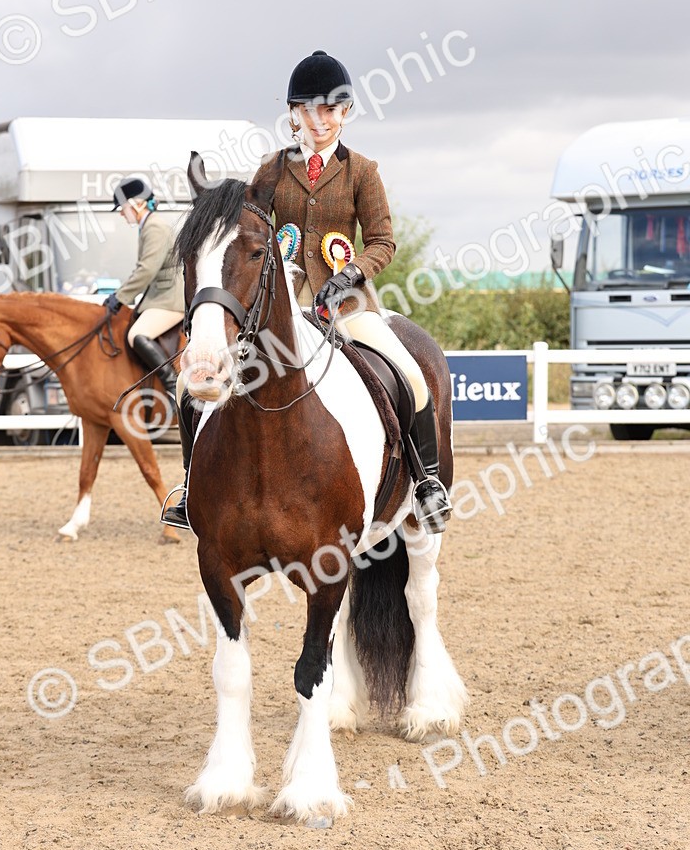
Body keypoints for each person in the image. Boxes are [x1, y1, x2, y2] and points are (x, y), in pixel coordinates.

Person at [162, 51, 451, 532]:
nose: (321, 120)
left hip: (347, 302)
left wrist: (351, 273)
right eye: (309, 110)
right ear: (294, 114)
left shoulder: (363, 170)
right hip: (282, 304)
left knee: (411, 376)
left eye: (331, 110)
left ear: (346, 112)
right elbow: (247, 227)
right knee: (188, 386)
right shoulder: (272, 168)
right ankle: (194, 487)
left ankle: (425, 481)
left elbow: (383, 241)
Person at [105, 177, 184, 403]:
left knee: (137, 335)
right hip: (159, 296)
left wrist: (120, 297)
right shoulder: (147, 226)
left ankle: (170, 384)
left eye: (123, 208)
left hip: (170, 298)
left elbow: (146, 269)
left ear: (137, 203)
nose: (121, 213)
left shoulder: (155, 227)